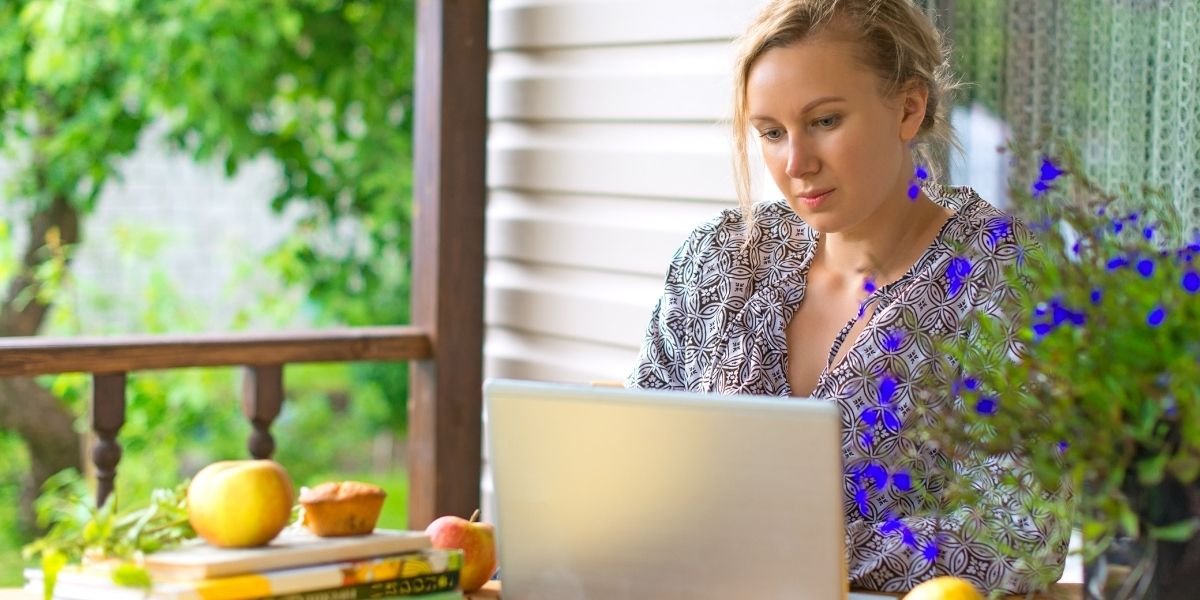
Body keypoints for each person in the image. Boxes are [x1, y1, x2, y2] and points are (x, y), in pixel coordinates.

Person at [627, 0, 1068, 594]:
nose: (796, 163)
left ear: (908, 108)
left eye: (826, 121)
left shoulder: (1004, 273)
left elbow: (1017, 536)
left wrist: (791, 548)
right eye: (771, 133)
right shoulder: (720, 259)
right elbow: (638, 468)